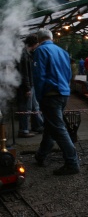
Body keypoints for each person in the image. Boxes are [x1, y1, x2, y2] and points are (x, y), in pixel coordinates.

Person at [32, 28, 80, 176]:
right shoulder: (63, 52)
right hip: (63, 93)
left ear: (39, 40)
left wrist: (39, 97)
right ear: (51, 38)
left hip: (50, 95)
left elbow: (39, 76)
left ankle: (72, 162)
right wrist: (65, 89)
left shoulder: (40, 51)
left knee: (58, 128)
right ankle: (41, 155)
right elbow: (69, 74)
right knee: (50, 126)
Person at [17, 34, 44, 138]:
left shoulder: (27, 54)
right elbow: (25, 73)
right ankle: (23, 130)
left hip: (30, 85)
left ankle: (37, 126)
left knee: (34, 107)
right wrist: (28, 88)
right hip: (26, 87)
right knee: (26, 108)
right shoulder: (24, 55)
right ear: (34, 44)